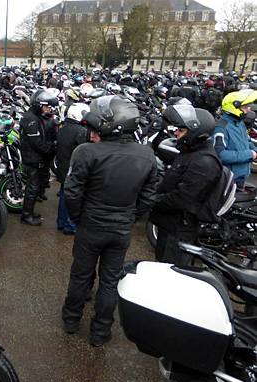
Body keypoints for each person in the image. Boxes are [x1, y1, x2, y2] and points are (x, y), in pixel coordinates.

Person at [62, 95, 157, 347]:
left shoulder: (86, 152)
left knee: (80, 276)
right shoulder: (146, 154)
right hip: (120, 227)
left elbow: (71, 191)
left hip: (91, 225)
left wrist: (78, 217)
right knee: (109, 282)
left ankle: (71, 321)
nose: (92, 131)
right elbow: (149, 195)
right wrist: (130, 216)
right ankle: (100, 332)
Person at [149, 105, 220, 265]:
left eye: (181, 130)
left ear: (195, 132)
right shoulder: (191, 152)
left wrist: (151, 199)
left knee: (168, 273)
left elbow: (182, 199)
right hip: (170, 225)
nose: (175, 133)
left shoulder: (204, 162)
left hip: (178, 230)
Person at [19, 89, 58, 226]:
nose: (48, 109)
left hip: (37, 158)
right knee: (33, 187)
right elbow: (36, 142)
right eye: (46, 106)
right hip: (32, 158)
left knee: (36, 186)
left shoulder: (36, 117)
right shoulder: (31, 119)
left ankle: (29, 211)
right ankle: (26, 215)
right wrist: (51, 150)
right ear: (39, 104)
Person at [55, 103, 90, 235]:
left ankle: (61, 222)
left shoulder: (63, 127)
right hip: (73, 170)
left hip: (63, 167)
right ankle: (70, 225)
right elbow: (82, 152)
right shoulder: (81, 131)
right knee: (74, 198)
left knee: (64, 196)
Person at [213, 91, 257, 189]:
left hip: (241, 177)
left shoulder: (240, 123)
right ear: (233, 107)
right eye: (245, 107)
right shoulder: (221, 128)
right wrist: (250, 154)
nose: (248, 110)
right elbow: (220, 155)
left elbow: (247, 141)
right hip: (229, 181)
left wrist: (254, 151)